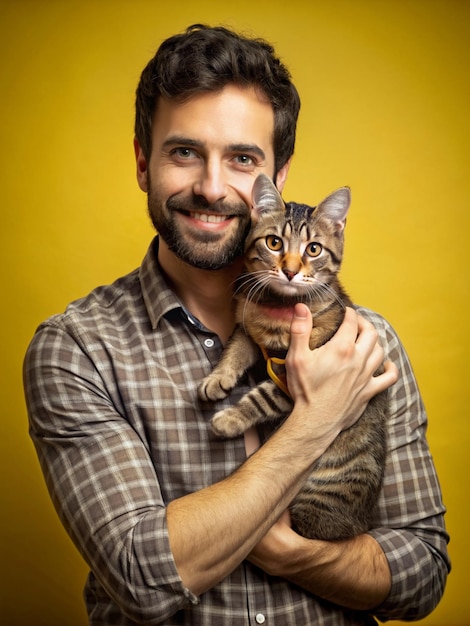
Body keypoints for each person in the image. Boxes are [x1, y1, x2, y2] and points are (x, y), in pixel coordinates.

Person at [23, 24, 450, 625]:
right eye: (184, 152)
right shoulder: (77, 351)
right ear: (144, 163)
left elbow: (423, 572)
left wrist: (293, 556)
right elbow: (143, 579)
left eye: (243, 159)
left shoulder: (363, 343)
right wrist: (317, 420)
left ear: (277, 180)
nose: (212, 188)